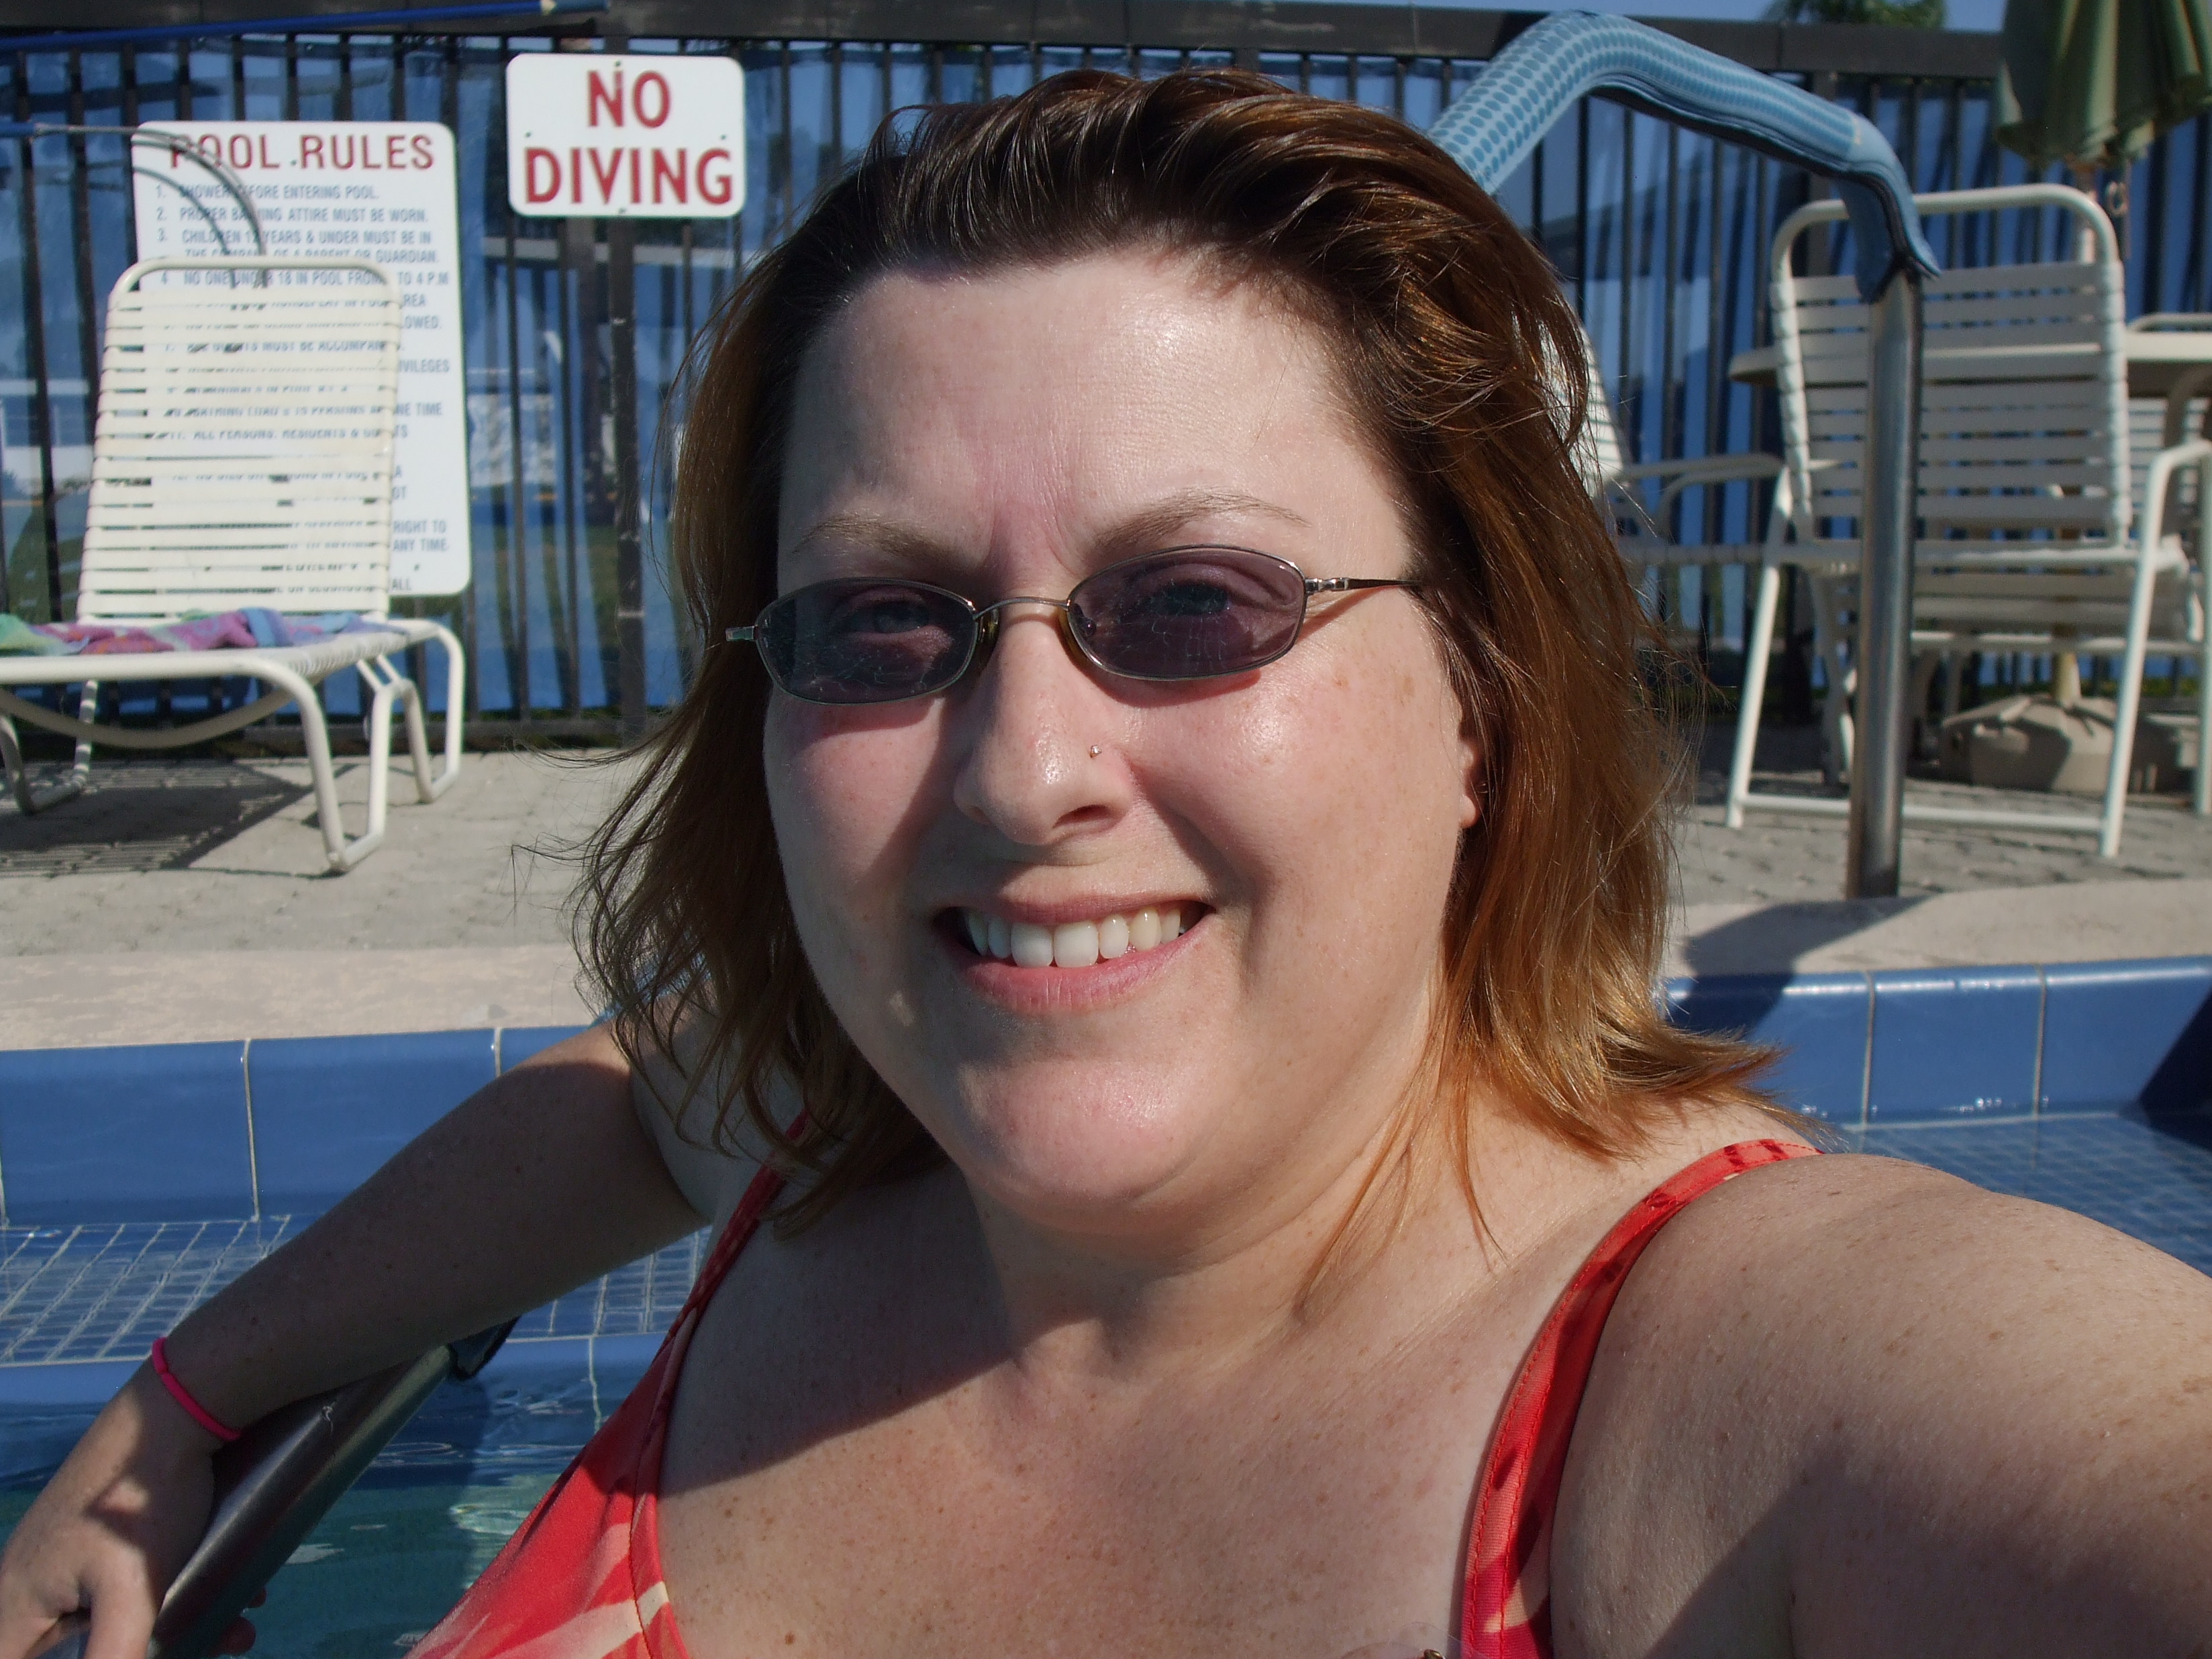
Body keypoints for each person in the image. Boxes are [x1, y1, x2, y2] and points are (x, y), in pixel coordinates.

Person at [3, 68, 2208, 1659]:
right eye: (887, 623)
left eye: (1196, 605)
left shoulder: (1750, 1395)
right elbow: (623, 1093)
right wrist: (177, 1404)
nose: (1023, 767)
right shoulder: (851, 1124)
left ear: (1483, 696)